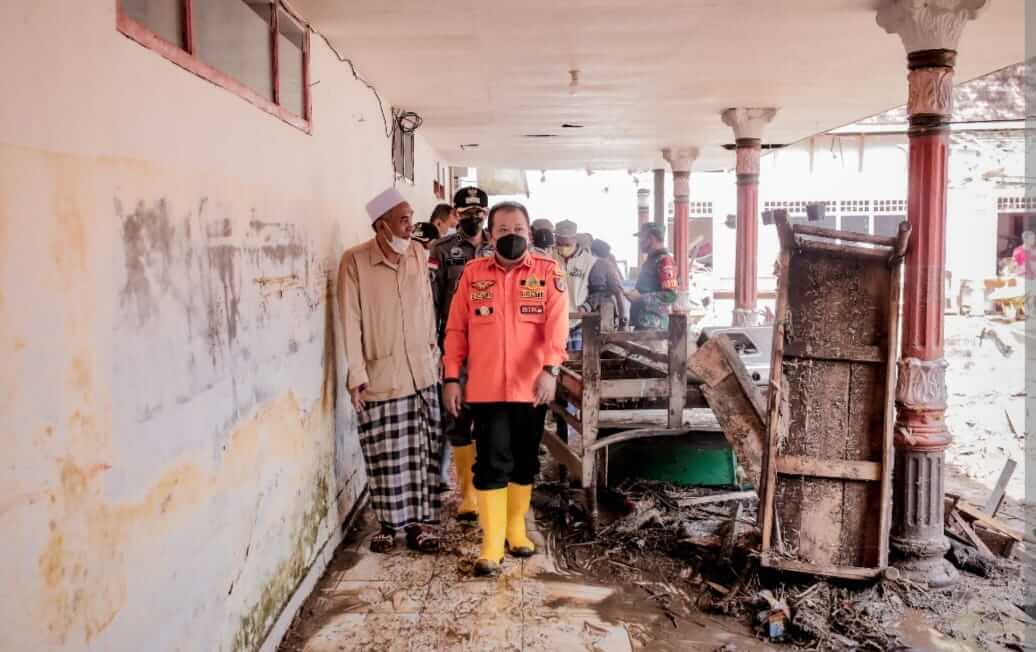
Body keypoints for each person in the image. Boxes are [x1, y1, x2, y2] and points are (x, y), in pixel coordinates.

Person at [443, 201, 568, 576]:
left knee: (525, 461)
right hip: (486, 388)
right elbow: (456, 330)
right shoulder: (473, 274)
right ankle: (492, 543)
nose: (511, 235)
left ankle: (516, 529)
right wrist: (451, 376)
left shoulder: (548, 273)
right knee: (493, 461)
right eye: (503, 230)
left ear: (528, 233)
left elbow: (557, 326)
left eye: (518, 229)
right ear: (490, 234)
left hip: (532, 387)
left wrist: (550, 369)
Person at [338, 187, 443, 554]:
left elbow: (426, 307)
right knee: (384, 454)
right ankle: (387, 523)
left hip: (421, 372)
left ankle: (419, 524)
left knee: (421, 453)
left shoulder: (417, 253)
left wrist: (433, 349)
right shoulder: (354, 262)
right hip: (382, 373)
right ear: (380, 226)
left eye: (410, 218)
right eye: (402, 220)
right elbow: (349, 321)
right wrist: (356, 374)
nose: (409, 226)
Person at [429, 186, 494, 523]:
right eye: (466, 213)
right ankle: (467, 494)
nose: (473, 218)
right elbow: (431, 305)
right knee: (457, 420)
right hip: (455, 348)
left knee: (490, 420)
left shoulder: (498, 249)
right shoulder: (441, 250)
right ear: (456, 214)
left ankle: (486, 489)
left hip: (494, 350)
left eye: (479, 213)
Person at [554, 220, 597, 350]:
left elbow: (597, 290)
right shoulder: (550, 257)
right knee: (555, 361)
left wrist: (586, 306)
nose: (563, 247)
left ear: (575, 239)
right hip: (555, 320)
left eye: (567, 244)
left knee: (576, 360)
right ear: (555, 238)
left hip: (578, 320)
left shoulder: (590, 262)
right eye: (559, 243)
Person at [626, 223, 678, 331]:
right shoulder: (651, 261)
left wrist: (640, 297)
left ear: (650, 238)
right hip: (645, 325)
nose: (639, 242)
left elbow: (671, 295)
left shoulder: (664, 261)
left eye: (641, 238)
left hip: (654, 328)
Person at [587, 239, 628, 330]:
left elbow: (618, 292)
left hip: (603, 312)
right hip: (594, 313)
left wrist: (623, 320)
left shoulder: (604, 265)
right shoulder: (603, 265)